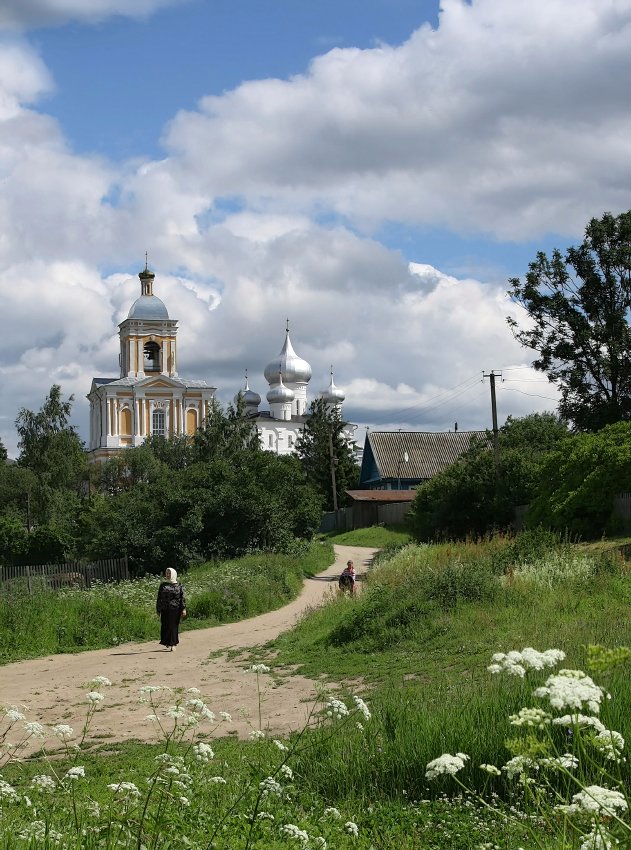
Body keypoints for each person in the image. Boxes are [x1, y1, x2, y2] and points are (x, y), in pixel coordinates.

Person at [156, 567, 187, 651]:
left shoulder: (179, 585)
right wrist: (158, 609)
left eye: (169, 573)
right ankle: (167, 642)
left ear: (173, 574)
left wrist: (183, 609)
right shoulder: (163, 585)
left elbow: (182, 598)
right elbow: (159, 598)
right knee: (165, 626)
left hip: (175, 609)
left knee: (173, 626)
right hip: (165, 609)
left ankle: (173, 644)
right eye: (167, 573)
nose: (168, 575)